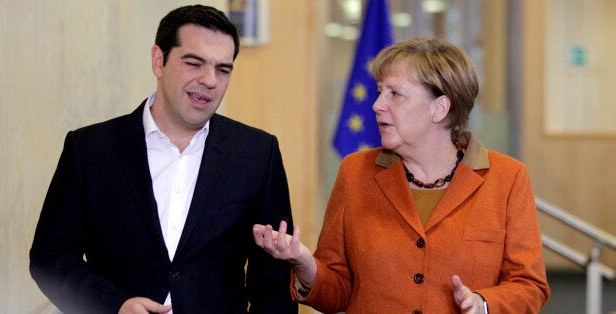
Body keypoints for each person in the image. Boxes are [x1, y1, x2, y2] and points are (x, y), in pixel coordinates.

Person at [30, 5, 297, 314]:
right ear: (159, 61)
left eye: (223, 69)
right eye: (194, 63)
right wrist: (114, 305)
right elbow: (51, 257)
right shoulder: (90, 149)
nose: (210, 80)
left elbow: (274, 280)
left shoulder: (256, 153)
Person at [253, 37, 550, 313]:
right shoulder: (355, 172)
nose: (377, 105)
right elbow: (338, 292)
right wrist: (305, 263)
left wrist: (483, 304)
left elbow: (530, 286)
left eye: (395, 94)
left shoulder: (508, 178)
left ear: (440, 108)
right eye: (380, 91)